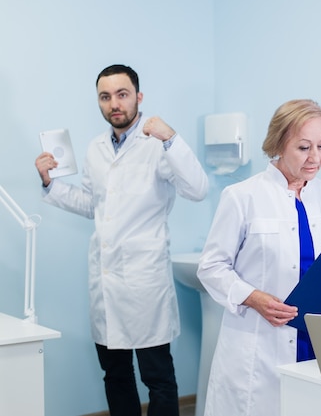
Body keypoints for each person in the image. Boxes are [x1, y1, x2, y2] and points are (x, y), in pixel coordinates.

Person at [34, 64, 209, 416]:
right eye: (105, 96)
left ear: (138, 97)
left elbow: (198, 189)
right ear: (99, 102)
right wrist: (50, 184)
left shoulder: (157, 144)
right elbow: (94, 206)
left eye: (122, 94)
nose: (114, 103)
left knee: (157, 377)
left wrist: (172, 138)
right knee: (114, 374)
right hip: (106, 279)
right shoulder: (95, 149)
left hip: (145, 282)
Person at [196, 99, 321, 416]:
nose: (315, 158)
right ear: (279, 144)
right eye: (303, 147)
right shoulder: (243, 196)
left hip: (315, 341)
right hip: (258, 345)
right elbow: (211, 267)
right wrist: (253, 297)